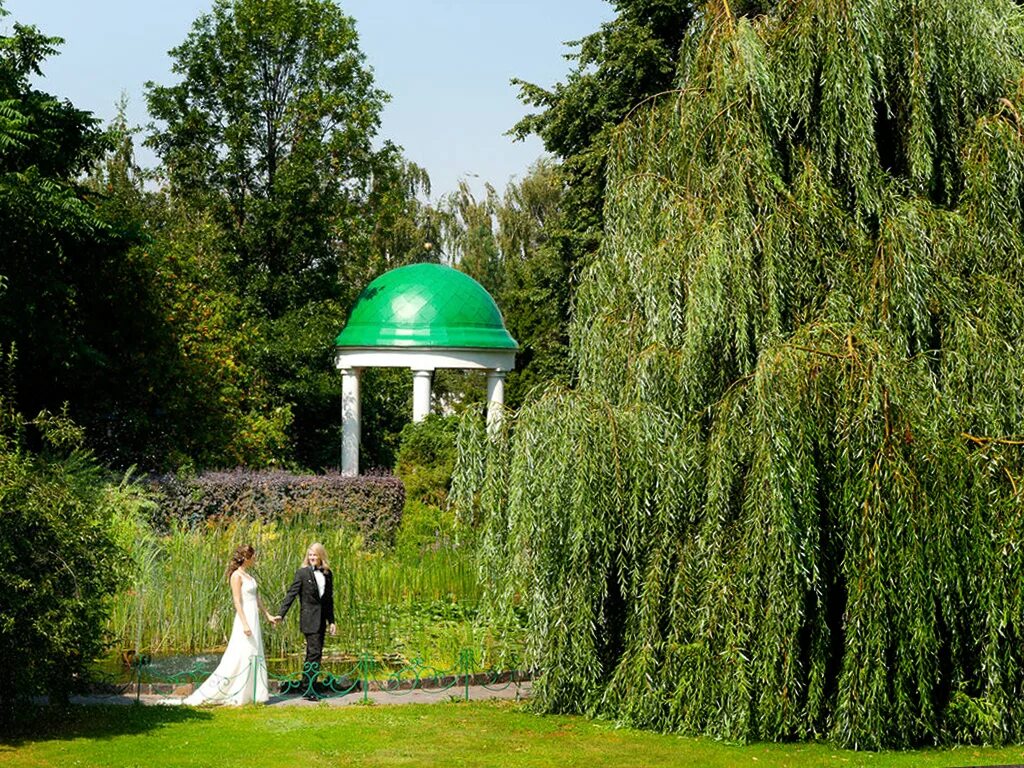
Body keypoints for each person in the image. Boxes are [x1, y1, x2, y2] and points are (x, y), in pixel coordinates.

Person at [183, 544, 277, 706]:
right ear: (246, 558)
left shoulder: (250, 577)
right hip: (244, 617)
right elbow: (236, 600)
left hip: (254, 617)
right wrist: (245, 623)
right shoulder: (236, 576)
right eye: (253, 556)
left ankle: (254, 694)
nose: (255, 559)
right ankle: (236, 692)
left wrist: (267, 614)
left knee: (254, 652)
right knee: (241, 654)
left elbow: (257, 598)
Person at [274, 542, 336, 700]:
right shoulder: (302, 573)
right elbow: (291, 594)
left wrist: (332, 621)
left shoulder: (328, 574)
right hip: (309, 619)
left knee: (316, 653)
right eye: (310, 555)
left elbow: (328, 600)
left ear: (321, 555)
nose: (312, 557)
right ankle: (308, 689)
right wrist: (281, 614)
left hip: (321, 619)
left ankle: (309, 686)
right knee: (313, 653)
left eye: (315, 555)